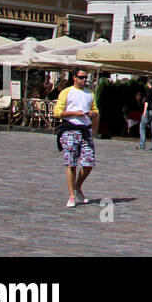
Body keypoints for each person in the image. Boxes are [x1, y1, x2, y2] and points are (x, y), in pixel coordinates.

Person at [53, 70, 99, 208]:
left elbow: (96, 110)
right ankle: (71, 195)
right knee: (71, 163)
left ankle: (77, 187)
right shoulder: (67, 92)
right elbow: (57, 112)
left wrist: (93, 114)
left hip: (85, 130)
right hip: (70, 129)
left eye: (86, 77)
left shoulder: (89, 93)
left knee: (89, 162)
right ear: (74, 78)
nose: (84, 80)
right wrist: (74, 113)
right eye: (81, 77)